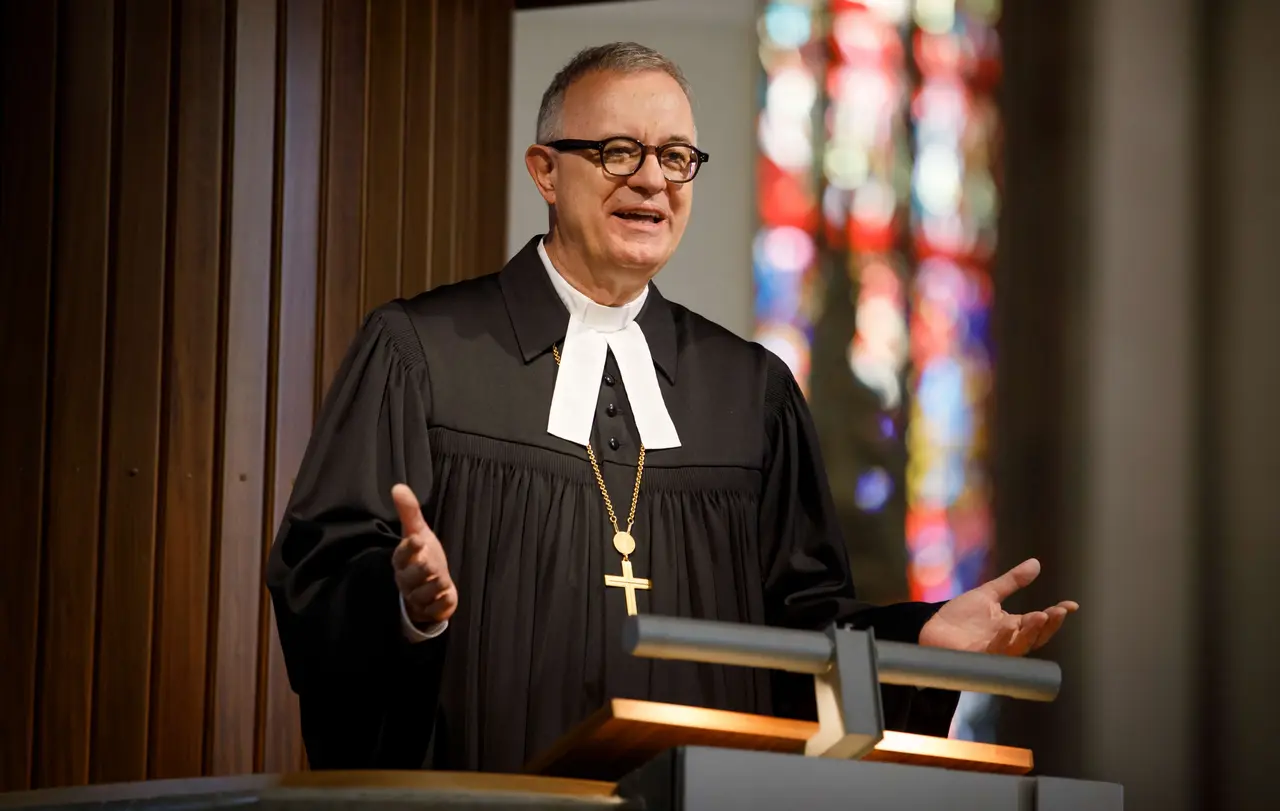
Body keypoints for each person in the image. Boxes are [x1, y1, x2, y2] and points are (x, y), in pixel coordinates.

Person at [266, 42, 1077, 772]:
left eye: (677, 156)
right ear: (546, 170)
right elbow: (316, 576)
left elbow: (800, 630)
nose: (652, 179)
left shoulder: (748, 390)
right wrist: (404, 601)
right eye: (619, 151)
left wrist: (916, 642)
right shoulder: (423, 353)